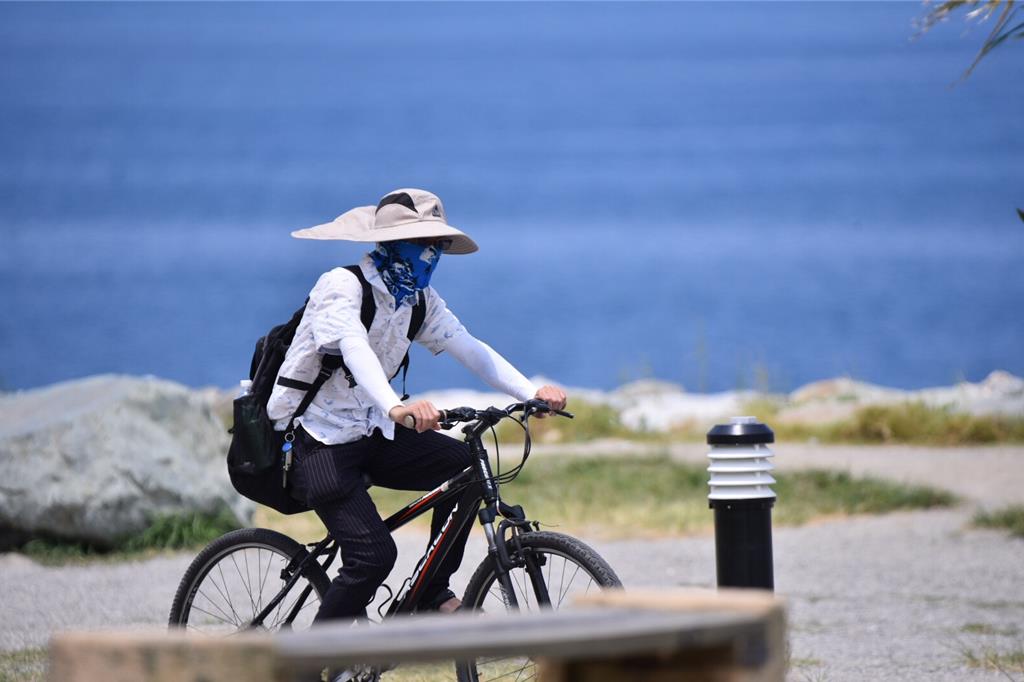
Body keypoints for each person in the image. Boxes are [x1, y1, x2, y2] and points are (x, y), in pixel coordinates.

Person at [266, 188, 567, 625]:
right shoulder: (341, 286)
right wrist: (394, 407)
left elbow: (469, 347)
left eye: (439, 246)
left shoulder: (417, 301)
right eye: (424, 243)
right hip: (319, 442)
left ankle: (429, 592)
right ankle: (306, 667)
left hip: (372, 434)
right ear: (391, 244)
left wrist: (529, 393)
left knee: (465, 469)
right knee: (372, 556)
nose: (432, 255)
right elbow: (354, 348)